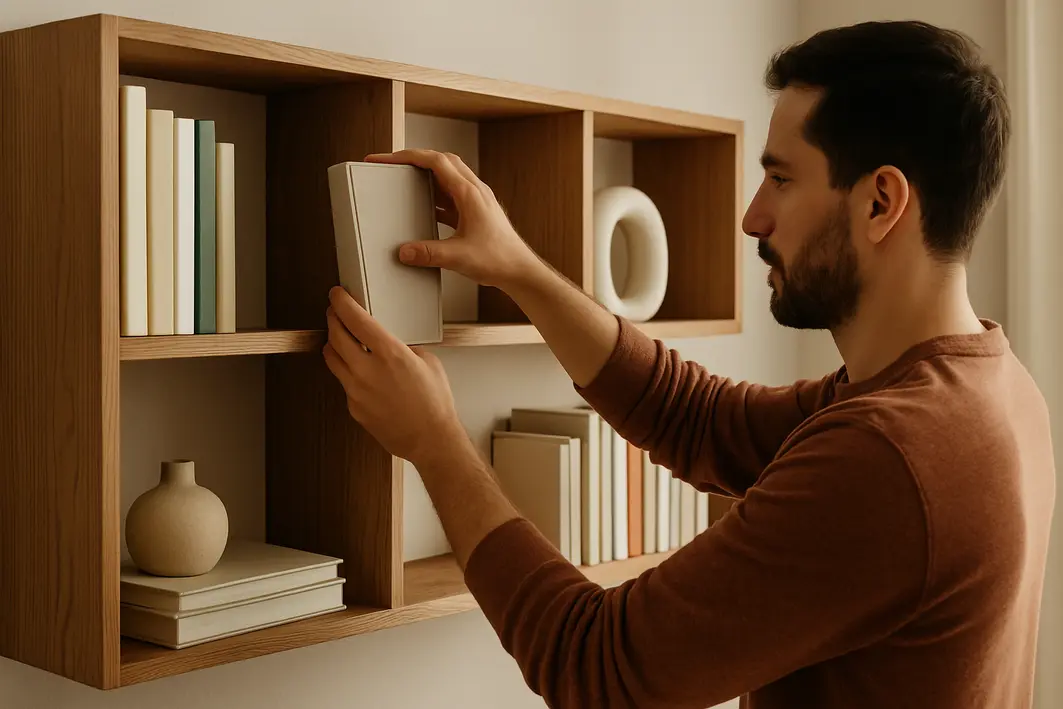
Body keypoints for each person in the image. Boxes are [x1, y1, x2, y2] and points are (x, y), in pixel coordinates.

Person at [321, 19, 1055, 709]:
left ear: (880, 202)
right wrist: (520, 270)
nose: (751, 217)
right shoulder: (984, 385)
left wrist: (434, 443)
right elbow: (702, 422)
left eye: (781, 178)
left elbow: (596, 664)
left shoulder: (891, 454)